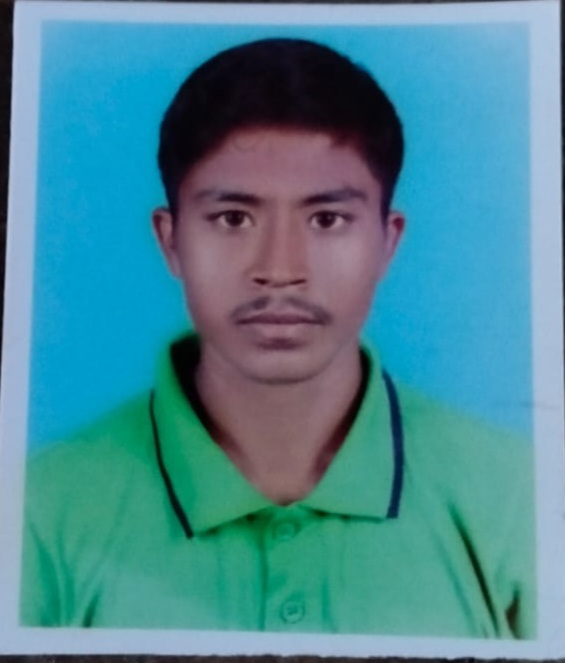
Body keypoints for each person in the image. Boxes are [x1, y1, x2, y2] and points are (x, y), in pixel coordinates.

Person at [21, 37, 535, 638]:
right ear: (170, 240)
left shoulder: (516, 499)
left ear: (387, 241)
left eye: (326, 219)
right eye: (234, 218)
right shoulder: (39, 509)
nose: (280, 268)